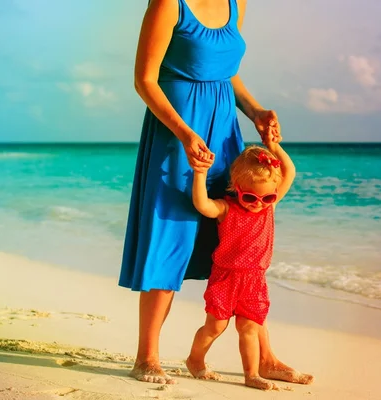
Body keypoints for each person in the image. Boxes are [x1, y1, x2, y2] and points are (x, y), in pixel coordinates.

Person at [118, 0, 313, 385]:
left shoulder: (235, 4)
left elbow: (227, 72)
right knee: (170, 239)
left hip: (224, 134)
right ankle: (147, 357)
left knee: (242, 239)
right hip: (177, 136)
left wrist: (255, 111)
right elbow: (144, 80)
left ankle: (267, 357)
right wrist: (185, 133)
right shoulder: (168, 5)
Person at [185, 138, 295, 391]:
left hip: (255, 280)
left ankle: (252, 374)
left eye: (267, 196)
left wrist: (274, 147)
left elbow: (290, 172)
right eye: (250, 196)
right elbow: (203, 205)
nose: (258, 203)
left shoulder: (270, 207)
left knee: (249, 328)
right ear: (236, 188)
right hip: (225, 277)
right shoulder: (227, 208)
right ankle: (195, 359)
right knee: (215, 327)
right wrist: (200, 174)